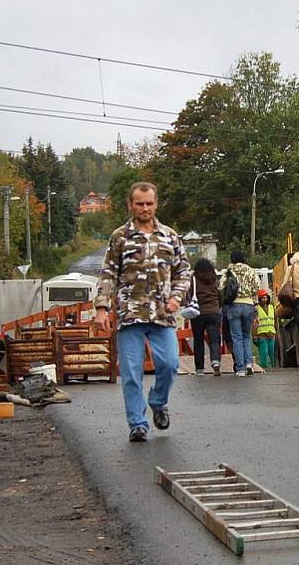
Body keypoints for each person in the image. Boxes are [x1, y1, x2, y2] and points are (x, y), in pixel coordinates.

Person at [94, 181, 190, 443]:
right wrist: (102, 308)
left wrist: (176, 297)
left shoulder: (170, 236)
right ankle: (137, 423)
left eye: (149, 203)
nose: (145, 208)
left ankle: (158, 402)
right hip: (130, 314)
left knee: (170, 364)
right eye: (139, 203)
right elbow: (108, 273)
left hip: (162, 314)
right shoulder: (120, 237)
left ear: (156, 204)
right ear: (130, 205)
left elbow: (183, 271)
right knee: (131, 373)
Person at [218, 250, 260, 377]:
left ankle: (240, 368)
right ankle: (249, 364)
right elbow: (257, 286)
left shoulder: (228, 271)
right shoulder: (250, 271)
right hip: (249, 305)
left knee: (236, 337)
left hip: (234, 305)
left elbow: (220, 287)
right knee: (247, 335)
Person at [189, 258, 222, 377]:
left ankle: (199, 369)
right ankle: (216, 362)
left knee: (198, 340)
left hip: (198, 313)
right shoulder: (214, 279)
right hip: (214, 312)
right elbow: (220, 295)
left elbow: (189, 293)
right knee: (214, 340)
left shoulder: (194, 279)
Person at [255, 289, 276, 369]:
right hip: (262, 334)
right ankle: (264, 368)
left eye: (266, 297)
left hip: (271, 333)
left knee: (272, 353)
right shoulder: (256, 309)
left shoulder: (271, 307)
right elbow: (254, 323)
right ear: (260, 299)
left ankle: (274, 368)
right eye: (263, 298)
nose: (265, 299)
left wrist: (275, 331)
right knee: (264, 353)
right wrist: (254, 335)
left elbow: (275, 320)